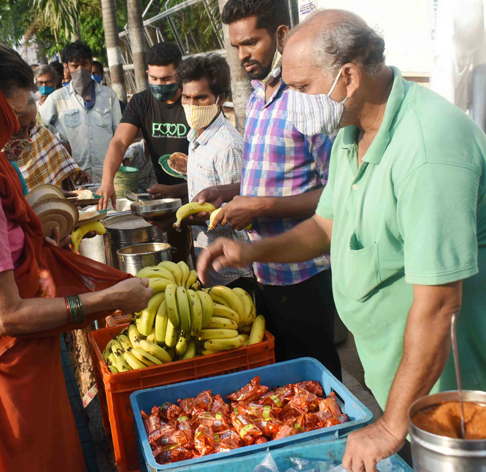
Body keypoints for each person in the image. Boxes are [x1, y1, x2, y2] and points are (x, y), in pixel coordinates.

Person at [199, 10, 486, 470]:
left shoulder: (428, 150)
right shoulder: (354, 132)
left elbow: (439, 303)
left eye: (302, 88)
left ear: (348, 77)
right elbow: (326, 226)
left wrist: (388, 426)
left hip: (463, 392)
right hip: (408, 381)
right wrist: (250, 251)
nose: (293, 102)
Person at [0, 38, 151, 471]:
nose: (23, 136)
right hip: (5, 372)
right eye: (16, 121)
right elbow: (4, 317)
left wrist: (14, 242)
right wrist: (110, 298)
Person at [193, 0, 339, 376]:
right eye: (236, 45)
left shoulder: (307, 99)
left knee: (316, 378)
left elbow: (337, 194)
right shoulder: (258, 97)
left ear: (281, 35)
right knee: (283, 382)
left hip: (305, 274)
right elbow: (269, 176)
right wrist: (228, 191)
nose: (242, 54)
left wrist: (259, 207)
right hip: (263, 270)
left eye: (251, 42)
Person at [173, 54, 254, 288]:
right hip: (206, 264)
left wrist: (186, 220)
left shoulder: (228, 145)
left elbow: (239, 212)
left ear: (220, 99)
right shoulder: (196, 135)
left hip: (232, 273)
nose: (192, 105)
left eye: (201, 98)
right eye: (186, 97)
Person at [98, 42, 190, 208]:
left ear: (180, 74)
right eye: (154, 79)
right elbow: (119, 142)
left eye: (166, 79)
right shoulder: (141, 102)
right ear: (147, 73)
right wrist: (107, 181)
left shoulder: (194, 100)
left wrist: (175, 190)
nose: (159, 84)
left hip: (199, 190)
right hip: (164, 195)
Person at [40, 41, 121, 183]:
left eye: (84, 64)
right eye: (75, 66)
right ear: (66, 67)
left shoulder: (109, 96)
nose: (80, 70)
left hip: (107, 177)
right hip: (74, 179)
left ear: (91, 64)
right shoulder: (57, 98)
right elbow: (38, 127)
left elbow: (120, 135)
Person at [2, 93, 87, 189]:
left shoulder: (41, 134)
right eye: (19, 130)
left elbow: (65, 177)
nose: (27, 137)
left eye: (31, 128)